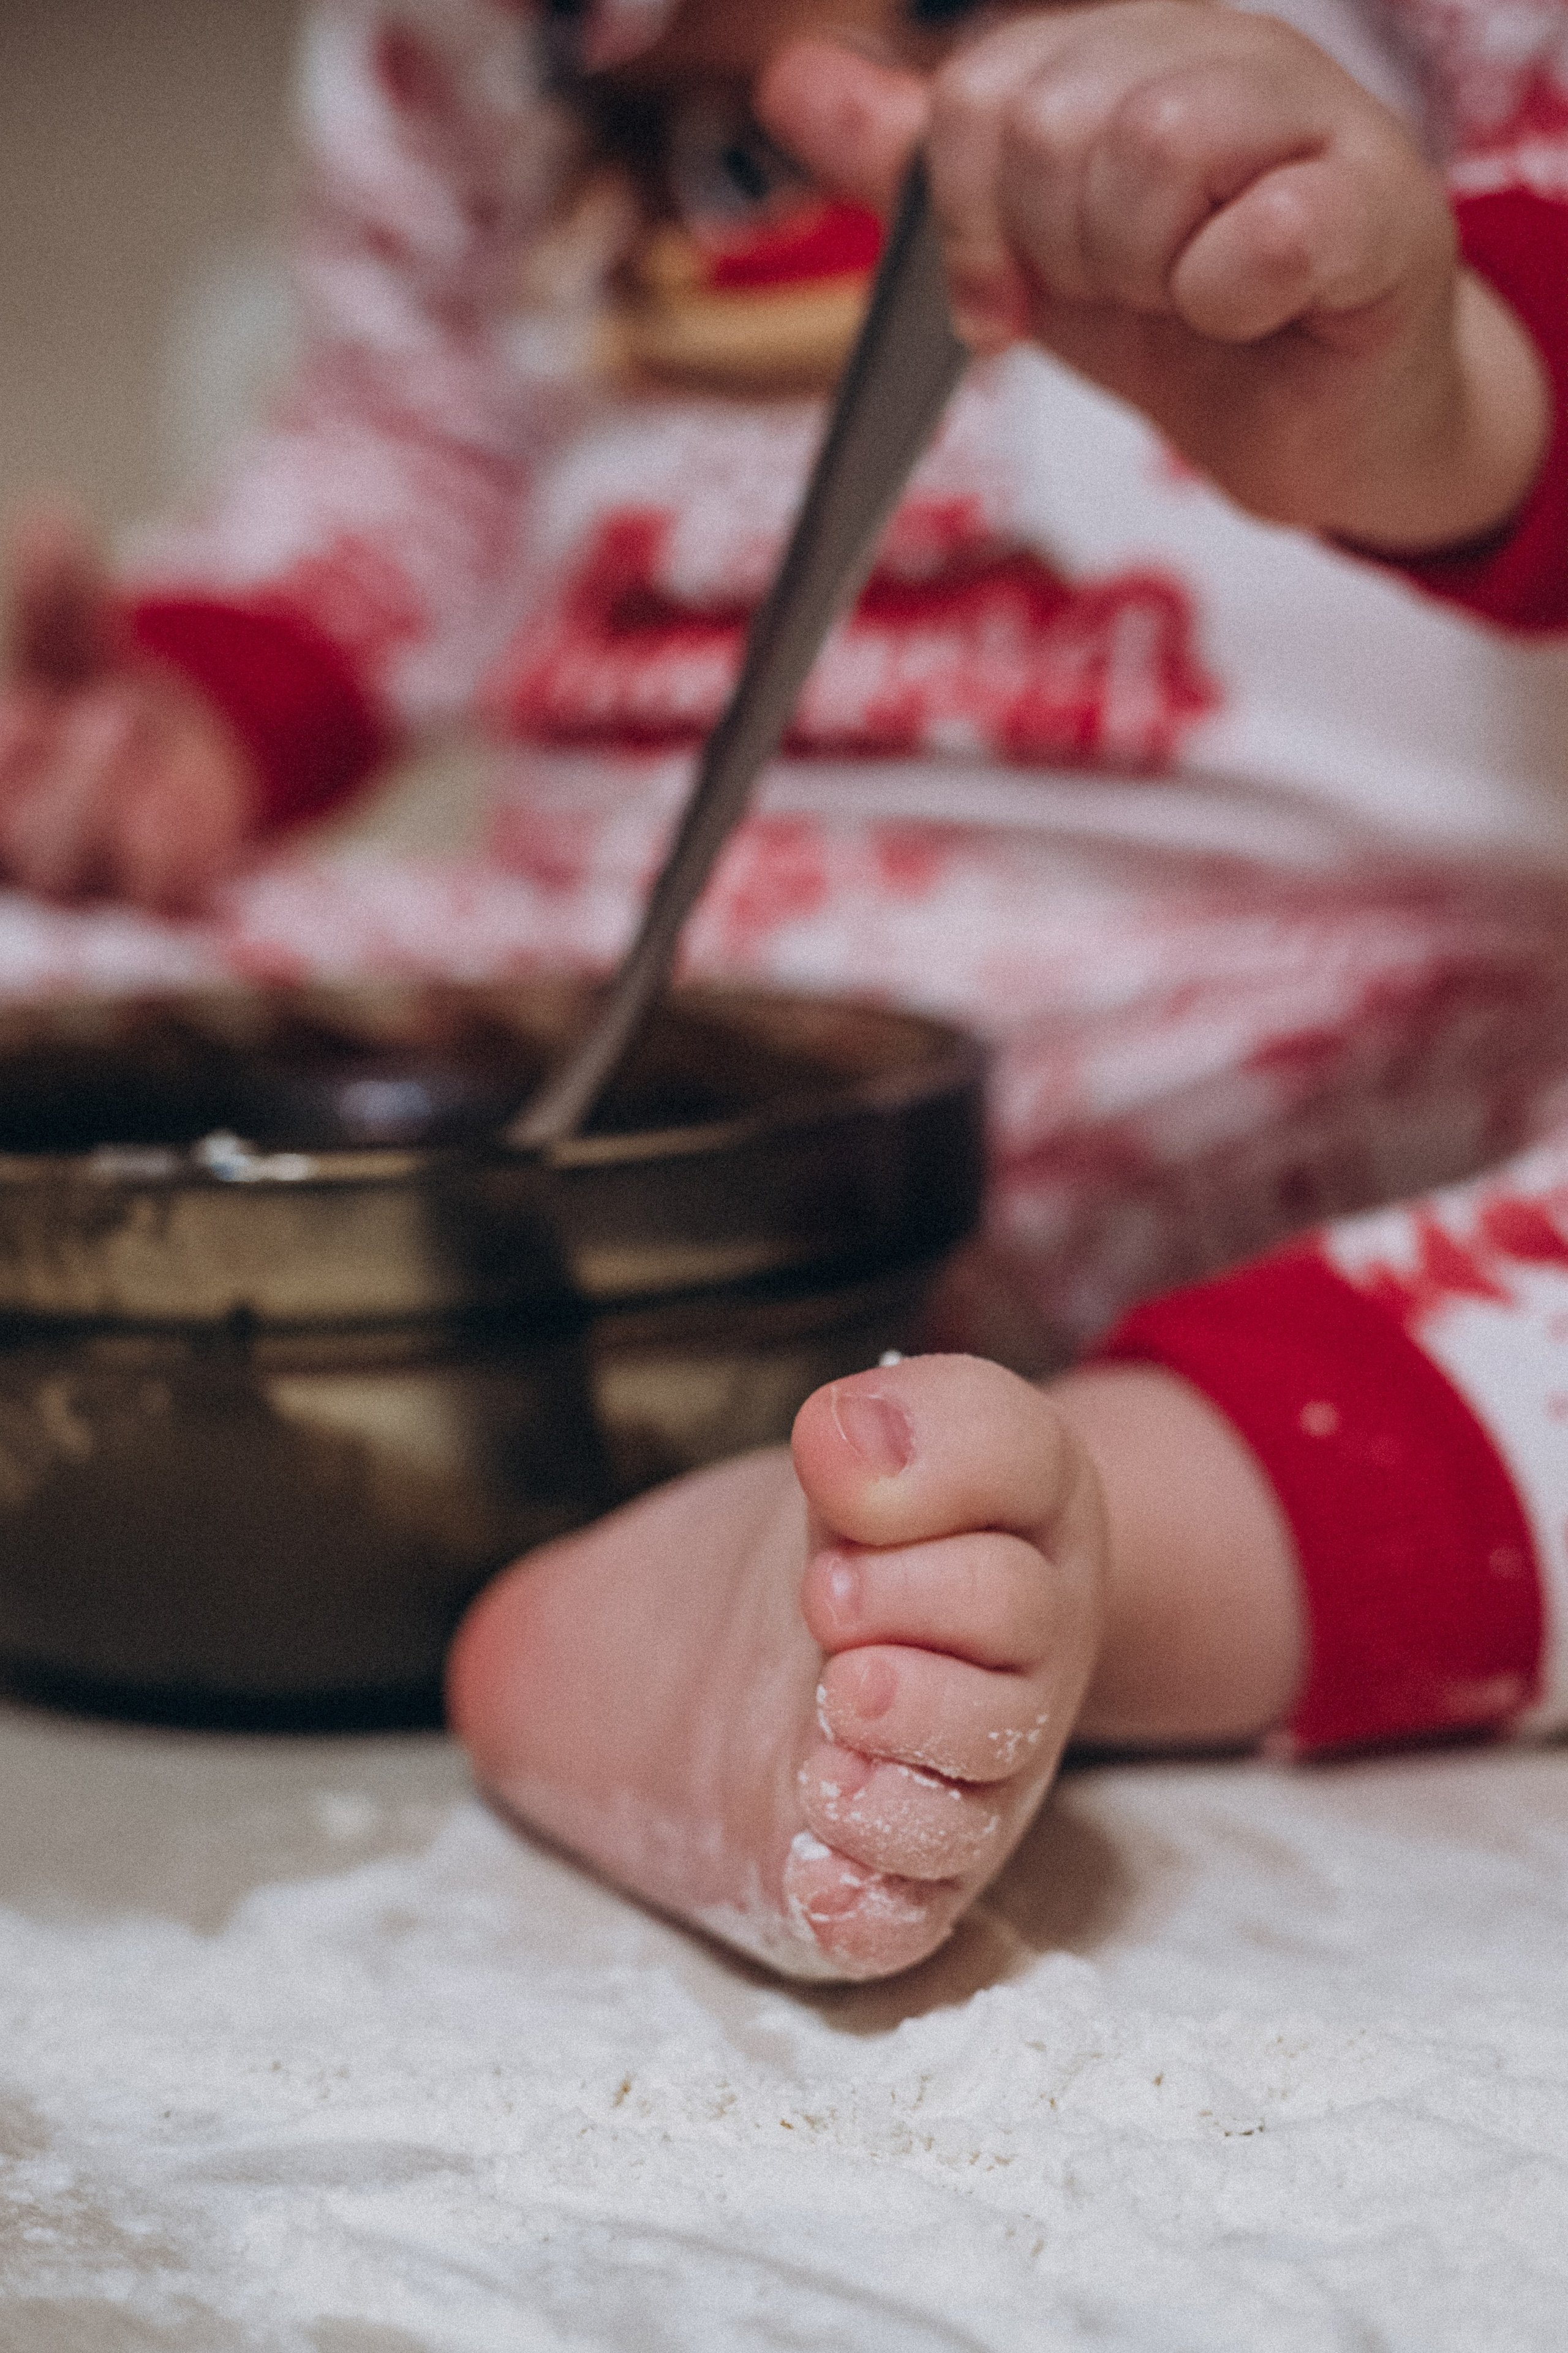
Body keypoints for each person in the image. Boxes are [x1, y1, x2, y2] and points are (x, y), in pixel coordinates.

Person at [7, 0, 1568, 1978]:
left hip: (1295, 1007)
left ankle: (1052, 1544)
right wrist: (185, 721)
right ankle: (750, 1517)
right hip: (598, 993)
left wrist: (1440, 389)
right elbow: (410, 433)